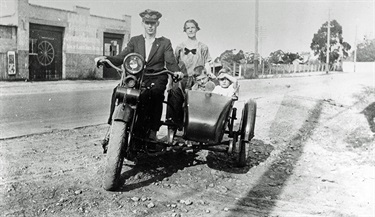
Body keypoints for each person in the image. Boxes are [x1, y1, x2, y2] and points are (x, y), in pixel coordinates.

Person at [95, 9, 183, 152]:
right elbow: (122, 57)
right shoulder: (135, 40)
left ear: (157, 24)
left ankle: (152, 133)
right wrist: (106, 59)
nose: (150, 26)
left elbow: (171, 61)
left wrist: (176, 72)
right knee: (119, 91)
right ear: (143, 23)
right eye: (147, 23)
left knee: (155, 95)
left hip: (157, 76)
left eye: (153, 23)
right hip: (137, 76)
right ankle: (113, 129)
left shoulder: (164, 42)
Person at [166, 19, 213, 133]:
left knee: (197, 106)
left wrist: (208, 75)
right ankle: (171, 132)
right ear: (185, 30)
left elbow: (207, 63)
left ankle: (196, 133)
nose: (191, 30)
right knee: (174, 101)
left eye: (193, 27)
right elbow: (174, 65)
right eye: (188, 28)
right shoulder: (180, 47)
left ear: (197, 29)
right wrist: (170, 83)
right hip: (182, 79)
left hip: (198, 80)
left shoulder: (203, 47)